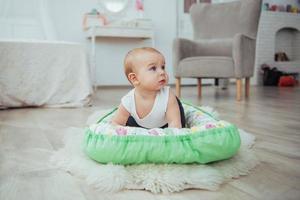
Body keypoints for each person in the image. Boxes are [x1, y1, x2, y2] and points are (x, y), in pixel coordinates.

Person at [111, 47, 185, 129]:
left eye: (163, 67)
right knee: (129, 121)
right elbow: (116, 123)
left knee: (178, 113)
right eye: (153, 68)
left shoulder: (168, 96)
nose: (162, 72)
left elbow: (174, 123)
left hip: (165, 125)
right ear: (134, 78)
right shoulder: (128, 100)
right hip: (141, 125)